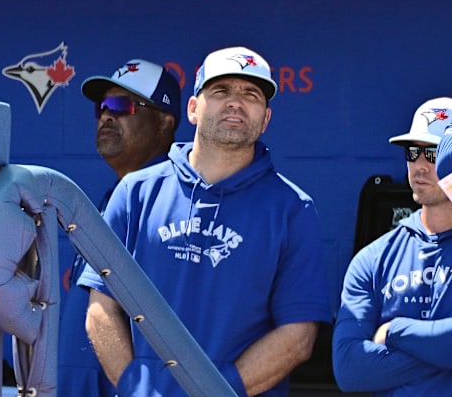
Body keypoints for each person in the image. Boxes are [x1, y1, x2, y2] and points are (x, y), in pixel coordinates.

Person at [77, 46, 332, 396]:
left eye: (251, 94)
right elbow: (101, 308)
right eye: (221, 91)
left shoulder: (292, 209)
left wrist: (212, 391)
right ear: (193, 109)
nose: (236, 102)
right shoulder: (134, 193)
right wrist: (136, 388)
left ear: (266, 118)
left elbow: (298, 335)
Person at [58, 59, 181, 396]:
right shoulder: (111, 199)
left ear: (164, 122)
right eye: (102, 106)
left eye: (121, 105)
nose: (107, 115)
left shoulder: (176, 206)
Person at [332, 96, 452, 395]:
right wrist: (449, 352)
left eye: (433, 153)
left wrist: (396, 331)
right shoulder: (373, 258)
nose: (419, 166)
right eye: (412, 152)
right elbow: (350, 370)